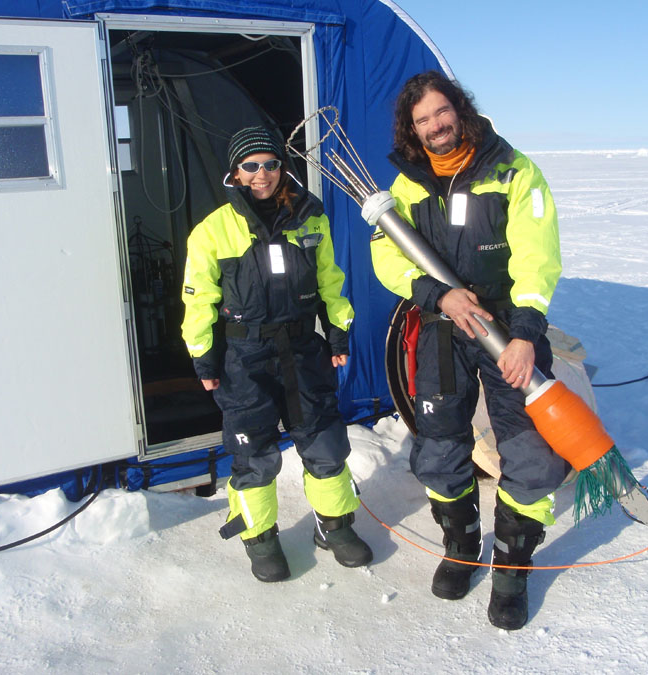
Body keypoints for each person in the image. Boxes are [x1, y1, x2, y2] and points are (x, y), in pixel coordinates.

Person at [369, 71, 570, 630]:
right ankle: (461, 544)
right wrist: (439, 294)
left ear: (459, 108)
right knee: (439, 444)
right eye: (422, 120)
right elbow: (388, 257)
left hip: (506, 325)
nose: (435, 125)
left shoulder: (513, 171)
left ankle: (512, 569)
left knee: (529, 449)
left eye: (441, 112)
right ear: (412, 130)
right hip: (440, 325)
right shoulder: (407, 186)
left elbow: (538, 255)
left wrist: (527, 331)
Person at [181, 126, 373, 582]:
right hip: (245, 356)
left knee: (325, 442)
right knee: (253, 452)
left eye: (270, 164)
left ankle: (334, 526)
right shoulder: (213, 230)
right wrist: (203, 356)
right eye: (251, 166)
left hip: (304, 348)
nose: (262, 174)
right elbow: (198, 298)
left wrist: (338, 333)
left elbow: (330, 280)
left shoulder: (310, 217)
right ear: (236, 173)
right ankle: (260, 538)